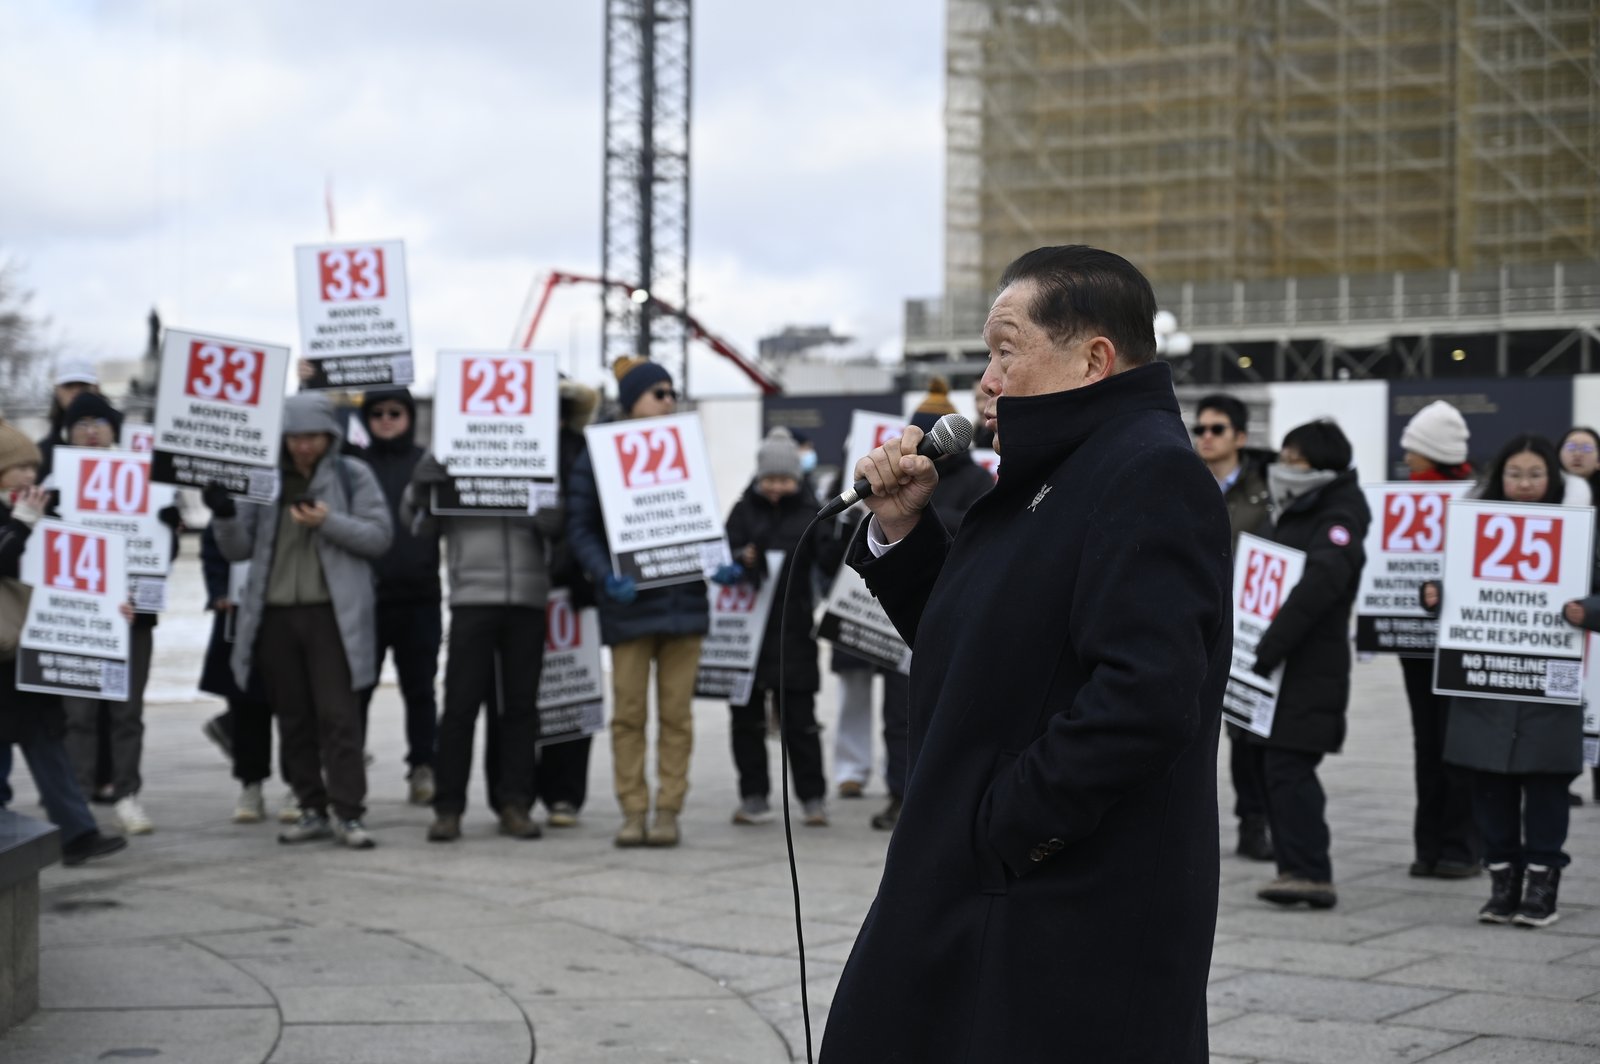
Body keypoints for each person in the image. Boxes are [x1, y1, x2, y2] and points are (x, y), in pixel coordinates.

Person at [820, 246, 1231, 1063]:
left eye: (1006, 349)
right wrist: (902, 529)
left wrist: (1008, 826)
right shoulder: (1054, 472)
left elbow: (1144, 701)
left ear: (1094, 359)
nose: (987, 378)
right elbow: (986, 646)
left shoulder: (1147, 471)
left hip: (1057, 905)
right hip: (986, 886)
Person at [209, 393, 392, 850]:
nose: (302, 447)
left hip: (331, 614)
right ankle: (311, 807)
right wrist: (224, 514)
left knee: (339, 717)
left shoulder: (354, 475)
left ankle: (349, 813)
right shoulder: (263, 479)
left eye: (310, 437)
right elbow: (238, 549)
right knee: (293, 718)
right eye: (293, 438)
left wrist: (329, 522)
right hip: (274, 616)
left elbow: (379, 537)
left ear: (329, 437)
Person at [1424, 435, 1583, 927]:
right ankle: (1502, 883)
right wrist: (1431, 596)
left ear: (1552, 479)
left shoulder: (1581, 531)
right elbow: (1450, 591)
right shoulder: (1469, 530)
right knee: (1489, 786)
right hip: (1483, 684)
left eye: (1536, 474)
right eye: (1515, 474)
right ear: (1500, 477)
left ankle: (1541, 885)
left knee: (1546, 787)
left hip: (1549, 684)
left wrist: (1588, 610)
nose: (1525, 484)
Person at [565, 357, 709, 848]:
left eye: (672, 393)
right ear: (632, 402)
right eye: (659, 393)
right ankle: (632, 810)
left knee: (676, 716)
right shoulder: (598, 452)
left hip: (684, 600)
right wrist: (605, 574)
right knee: (628, 714)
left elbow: (700, 516)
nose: (669, 401)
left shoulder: (686, 446)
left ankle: (668, 809)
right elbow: (579, 525)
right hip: (628, 605)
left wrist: (719, 558)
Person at [402, 447, 563, 843]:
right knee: (460, 706)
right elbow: (418, 525)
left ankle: (515, 804)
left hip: (526, 597)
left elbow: (555, 523)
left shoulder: (534, 451)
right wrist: (419, 488)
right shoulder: (453, 451)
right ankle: (448, 808)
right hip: (471, 597)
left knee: (521, 708)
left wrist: (544, 497)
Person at [1246, 420, 1371, 910]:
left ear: (1319, 462)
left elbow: (1323, 582)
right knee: (1273, 764)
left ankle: (1310, 871)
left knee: (1289, 764)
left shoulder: (1339, 511)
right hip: (1277, 663)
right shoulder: (1293, 506)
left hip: (1308, 663)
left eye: (1294, 455)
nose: (1284, 464)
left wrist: (1271, 643)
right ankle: (1294, 866)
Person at [0, 421, 127, 866]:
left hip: (33, 652)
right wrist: (20, 526)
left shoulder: (43, 514)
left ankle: (77, 833)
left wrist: (111, 608)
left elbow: (71, 576)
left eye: (33, 468)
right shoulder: (21, 518)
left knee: (47, 741)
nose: (30, 477)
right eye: (20, 468)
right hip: (3, 656)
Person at [54, 391, 173, 836]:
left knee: (127, 713)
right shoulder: (55, 482)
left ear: (113, 431)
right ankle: (78, 801)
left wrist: (166, 527)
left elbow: (165, 552)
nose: (89, 431)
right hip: (76, 618)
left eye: (98, 423)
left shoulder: (145, 482)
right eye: (80, 423)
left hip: (132, 617)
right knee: (78, 716)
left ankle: (127, 795)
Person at [715, 429, 843, 828]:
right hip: (747, 633)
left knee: (800, 722)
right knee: (746, 721)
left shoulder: (812, 510)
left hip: (794, 630)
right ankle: (753, 795)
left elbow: (827, 562)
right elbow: (723, 555)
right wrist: (740, 557)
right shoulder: (742, 510)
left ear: (795, 478)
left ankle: (812, 797)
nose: (775, 488)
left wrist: (842, 534)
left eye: (783, 480)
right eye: (769, 480)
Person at [1393, 400, 1480, 878]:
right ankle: (1455, 846)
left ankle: (1433, 846)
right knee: (1451, 744)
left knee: (1429, 744)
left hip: (1416, 640)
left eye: (1414, 448)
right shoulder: (1478, 497)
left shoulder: (1410, 499)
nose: (1408, 457)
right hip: (1458, 638)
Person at [1192, 392, 1275, 862]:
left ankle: (1254, 821)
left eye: (1216, 429)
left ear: (1240, 437)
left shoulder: (1267, 492)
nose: (1206, 436)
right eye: (1200, 428)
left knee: (1248, 731)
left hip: (1251, 623)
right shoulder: (1181, 480)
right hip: (1198, 617)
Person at [353, 388, 442, 806]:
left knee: (420, 689)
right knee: (357, 688)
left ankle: (423, 766)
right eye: (377, 414)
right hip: (365, 598)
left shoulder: (428, 463)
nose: (386, 420)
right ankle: (348, 765)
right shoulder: (353, 465)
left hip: (420, 596)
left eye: (395, 413)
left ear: (408, 416)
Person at [537, 378, 602, 827]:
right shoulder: (509, 446)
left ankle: (564, 795)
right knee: (522, 696)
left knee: (573, 687)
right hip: (522, 584)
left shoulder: (586, 448)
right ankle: (522, 789)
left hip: (572, 584)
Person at [196, 525, 285, 823]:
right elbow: (214, 539)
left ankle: (300, 786)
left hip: (292, 606)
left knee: (297, 707)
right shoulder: (239, 492)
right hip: (240, 610)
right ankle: (251, 785)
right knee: (246, 704)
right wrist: (219, 590)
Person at [34, 359, 99, 482]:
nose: (75, 391)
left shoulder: (116, 440)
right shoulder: (42, 453)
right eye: (68, 385)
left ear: (96, 389)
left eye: (83, 386)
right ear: (57, 391)